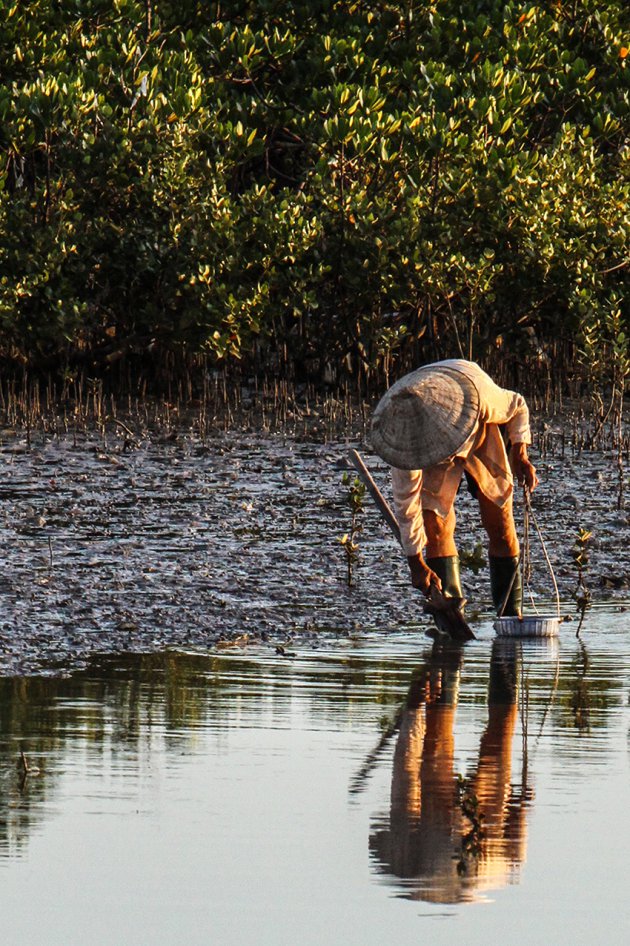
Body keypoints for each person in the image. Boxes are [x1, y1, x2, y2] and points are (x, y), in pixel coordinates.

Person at [370, 359, 538, 617]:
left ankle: (509, 615)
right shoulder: (405, 442)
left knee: (500, 524)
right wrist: (416, 563)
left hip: (479, 434)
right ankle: (449, 611)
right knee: (434, 526)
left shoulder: (482, 398)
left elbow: (518, 405)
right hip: (432, 458)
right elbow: (407, 507)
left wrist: (520, 451)